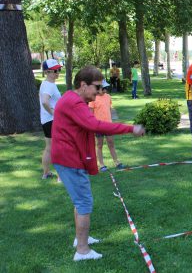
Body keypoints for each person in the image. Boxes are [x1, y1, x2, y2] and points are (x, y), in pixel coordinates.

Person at [51, 66, 145, 261]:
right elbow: (95, 125)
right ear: (83, 85)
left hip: (67, 158)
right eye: (96, 86)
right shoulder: (75, 103)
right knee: (84, 202)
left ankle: (80, 240)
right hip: (69, 159)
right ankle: (82, 251)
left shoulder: (72, 99)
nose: (99, 91)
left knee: (80, 200)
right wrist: (130, 128)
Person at [88, 80, 125, 172]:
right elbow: (90, 113)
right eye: (103, 88)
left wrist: (115, 120)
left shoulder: (108, 97)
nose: (105, 90)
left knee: (111, 143)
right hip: (98, 126)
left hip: (108, 125)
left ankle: (116, 161)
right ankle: (101, 164)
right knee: (99, 145)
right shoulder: (93, 98)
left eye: (106, 88)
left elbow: (110, 109)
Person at [39, 59, 62, 180]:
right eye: (55, 70)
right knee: (59, 147)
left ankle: (46, 173)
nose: (58, 72)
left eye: (59, 69)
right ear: (47, 71)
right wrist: (54, 113)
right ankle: (60, 176)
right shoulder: (49, 85)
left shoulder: (47, 84)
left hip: (46, 121)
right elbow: (44, 102)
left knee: (49, 147)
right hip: (52, 121)